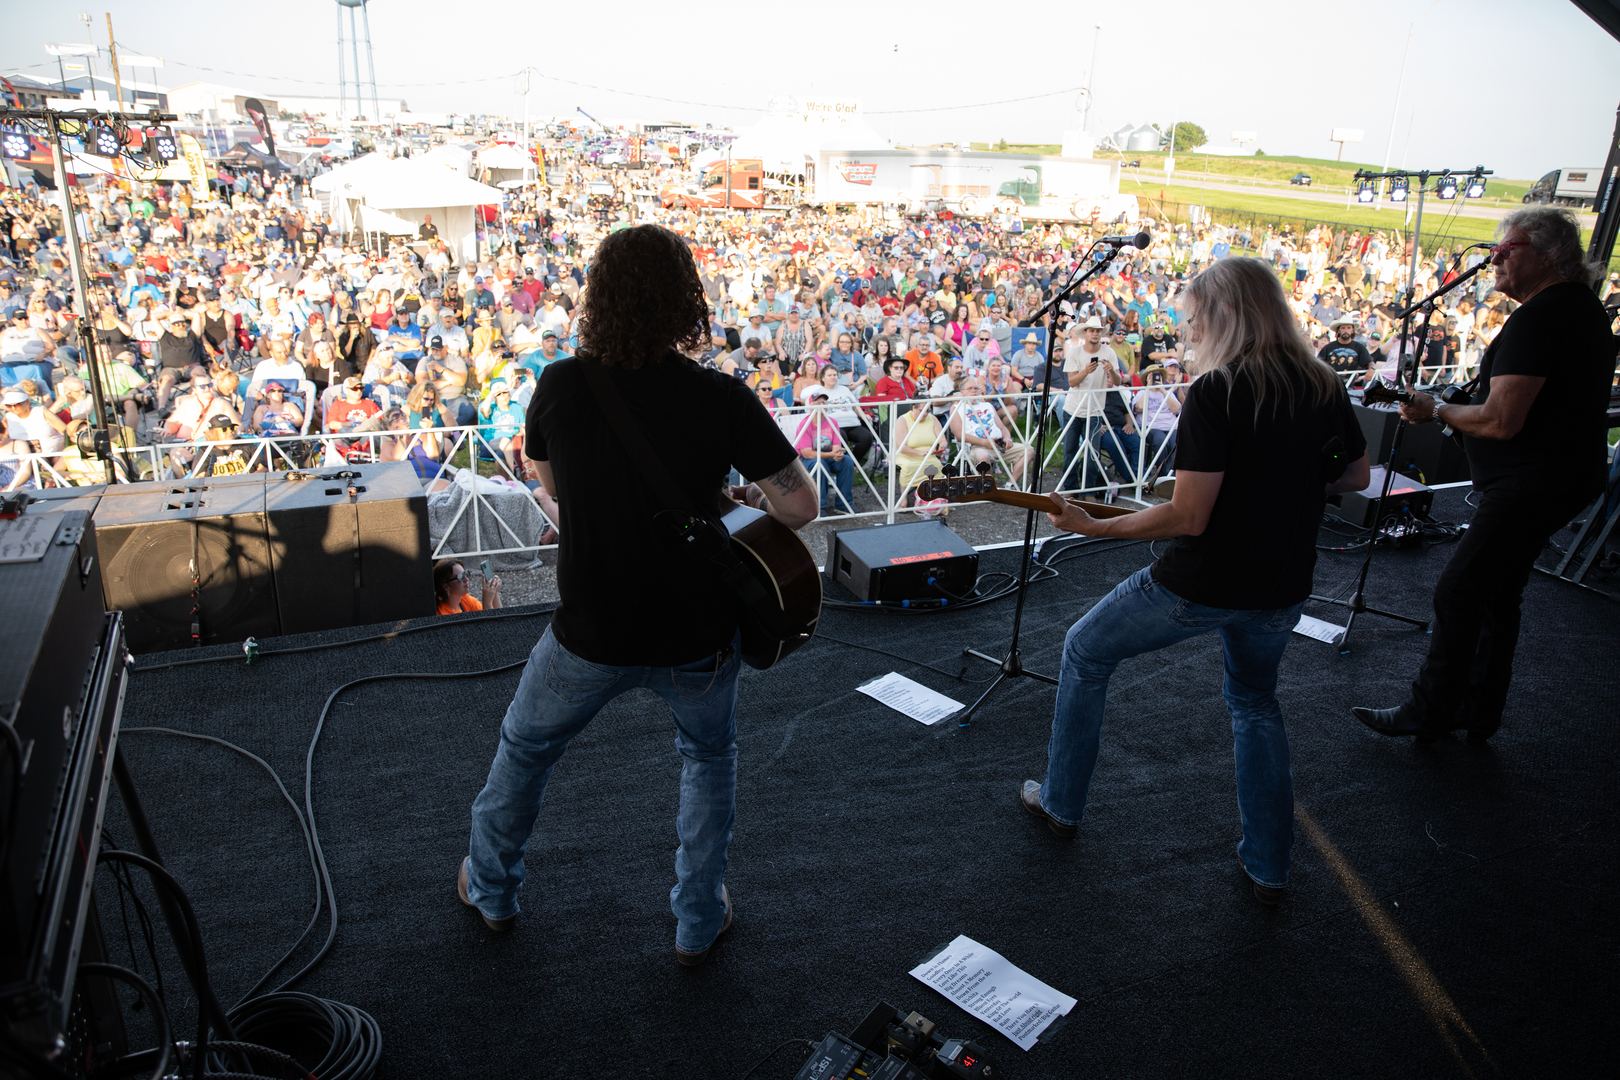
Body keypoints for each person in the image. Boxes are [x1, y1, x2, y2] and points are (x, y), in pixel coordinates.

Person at [461, 224, 817, 963]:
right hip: (697, 633)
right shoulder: (720, 397)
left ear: (599, 299)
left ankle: (491, 891)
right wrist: (736, 492)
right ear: (685, 302)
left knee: (525, 750)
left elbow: (554, 484)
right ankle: (696, 919)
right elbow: (799, 507)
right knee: (708, 758)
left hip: (590, 629)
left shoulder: (562, 383)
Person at [1022, 256, 1371, 906]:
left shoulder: (1219, 393)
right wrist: (1284, 483)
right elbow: (1352, 476)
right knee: (1255, 705)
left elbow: (1188, 515)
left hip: (1199, 584)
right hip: (1283, 584)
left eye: (1192, 321)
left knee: (1084, 651)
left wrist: (1090, 528)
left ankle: (1061, 804)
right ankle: (1268, 864)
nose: (1186, 334)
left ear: (1227, 316)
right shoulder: (1322, 384)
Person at [1351, 208, 1616, 744]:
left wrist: (1438, 412)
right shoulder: (1580, 308)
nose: (1493, 257)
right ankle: (1477, 707)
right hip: (1562, 475)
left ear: (1547, 254)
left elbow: (1500, 418)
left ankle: (1432, 709)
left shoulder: (1543, 317)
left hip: (1532, 480)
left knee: (1459, 590)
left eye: (1507, 248)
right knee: (1498, 592)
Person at [434, 557, 500, 615]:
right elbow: (491, 627)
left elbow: (501, 620)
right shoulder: (442, 614)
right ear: (446, 586)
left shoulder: (464, 599)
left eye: (466, 574)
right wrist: (487, 603)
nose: (466, 579)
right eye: (461, 577)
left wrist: (494, 591)